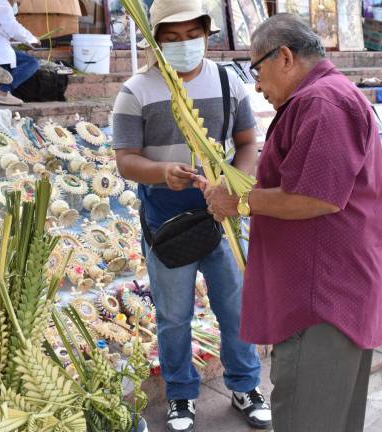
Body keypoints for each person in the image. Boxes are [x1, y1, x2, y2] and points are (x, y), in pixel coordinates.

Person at [202, 13, 382, 432]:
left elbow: (314, 196)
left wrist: (239, 202)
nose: (258, 84)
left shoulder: (323, 102)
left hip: (321, 301)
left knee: (310, 415)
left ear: (284, 57)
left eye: (257, 68)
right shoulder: (322, 97)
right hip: (325, 292)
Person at [111, 1, 271, 431]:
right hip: (165, 220)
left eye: (191, 35)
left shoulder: (227, 82)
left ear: (206, 34)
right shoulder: (137, 90)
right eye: (172, 37)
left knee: (236, 308)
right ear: (156, 40)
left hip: (223, 219)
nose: (184, 45)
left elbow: (247, 143)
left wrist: (234, 186)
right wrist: (162, 172)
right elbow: (125, 160)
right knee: (174, 315)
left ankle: (245, 384)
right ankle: (181, 395)